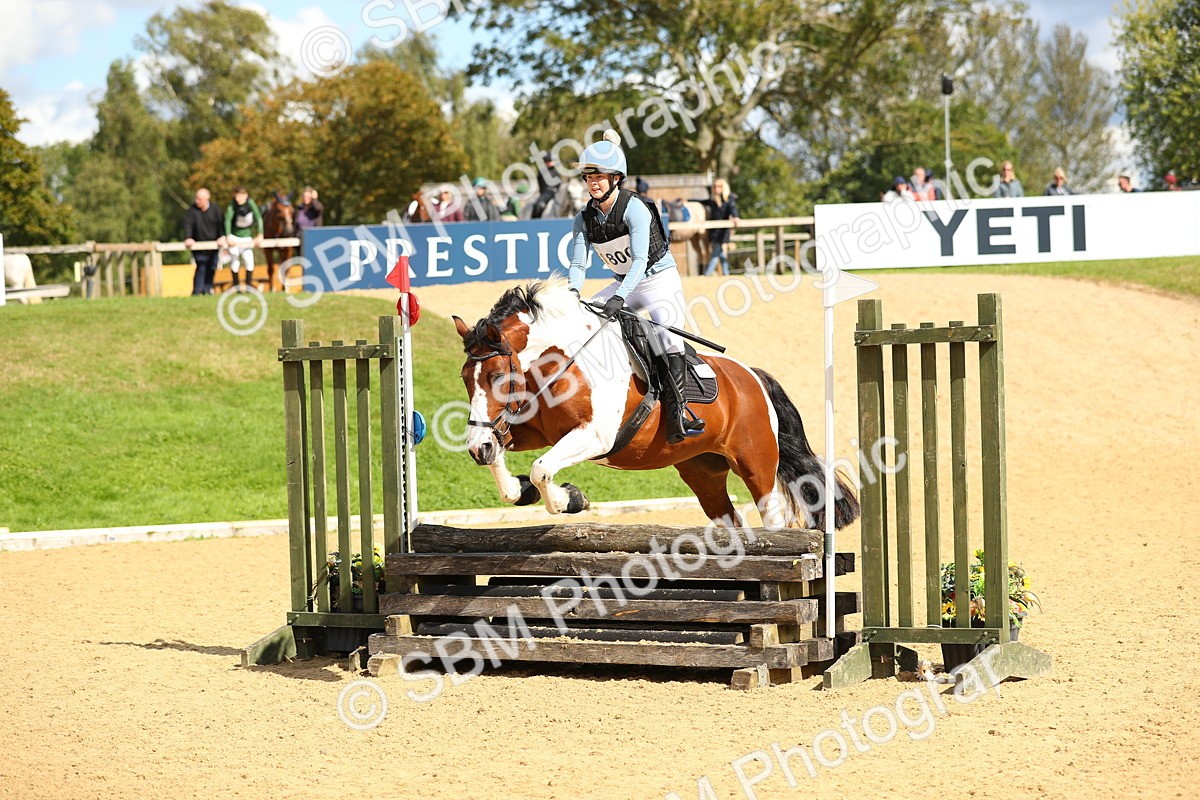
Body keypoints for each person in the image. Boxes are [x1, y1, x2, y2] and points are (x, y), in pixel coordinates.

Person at [567, 128, 703, 445]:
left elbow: (640, 262)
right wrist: (573, 296)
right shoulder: (583, 219)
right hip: (622, 283)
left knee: (667, 336)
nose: (593, 183)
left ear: (616, 178)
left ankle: (679, 411)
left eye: (600, 176)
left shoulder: (635, 208)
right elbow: (577, 265)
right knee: (584, 323)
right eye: (588, 177)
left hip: (657, 280)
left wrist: (619, 297)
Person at [182, 188, 225, 295]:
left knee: (212, 267)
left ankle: (207, 290)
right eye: (196, 198)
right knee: (201, 266)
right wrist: (188, 237)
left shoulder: (216, 210)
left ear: (207, 199)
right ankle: (197, 291)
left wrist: (222, 236)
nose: (197, 201)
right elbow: (188, 224)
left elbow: (221, 224)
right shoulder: (192, 211)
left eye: (199, 199)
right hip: (198, 246)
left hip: (214, 246)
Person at [223, 186, 263, 289]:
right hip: (234, 236)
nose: (238, 199)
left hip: (247, 237)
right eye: (236, 196)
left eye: (240, 196)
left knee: (249, 261)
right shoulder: (232, 205)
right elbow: (227, 219)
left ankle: (248, 286)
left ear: (246, 195)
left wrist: (260, 234)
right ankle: (236, 286)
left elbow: (258, 217)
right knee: (235, 260)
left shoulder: (250, 203)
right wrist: (228, 236)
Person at [701, 178, 738, 276]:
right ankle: (726, 273)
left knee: (715, 253)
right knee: (720, 254)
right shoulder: (712, 200)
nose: (716, 188)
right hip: (714, 231)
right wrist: (686, 200)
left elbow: (733, 210)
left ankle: (707, 274)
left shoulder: (729, 199)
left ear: (723, 187)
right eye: (714, 186)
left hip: (723, 231)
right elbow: (701, 201)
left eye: (719, 186)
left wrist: (736, 217)